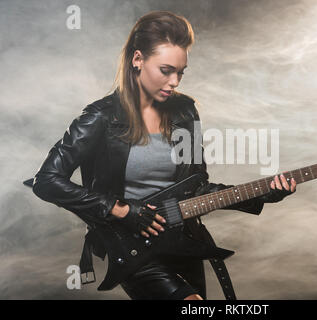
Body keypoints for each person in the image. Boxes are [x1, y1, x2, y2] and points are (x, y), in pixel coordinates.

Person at [32, 10, 296, 300]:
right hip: (131, 246)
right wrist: (122, 210)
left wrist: (261, 194)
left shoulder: (184, 111)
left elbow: (197, 186)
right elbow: (46, 180)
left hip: (183, 240)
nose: (175, 82)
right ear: (138, 60)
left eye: (180, 72)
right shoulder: (100, 117)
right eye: (166, 70)